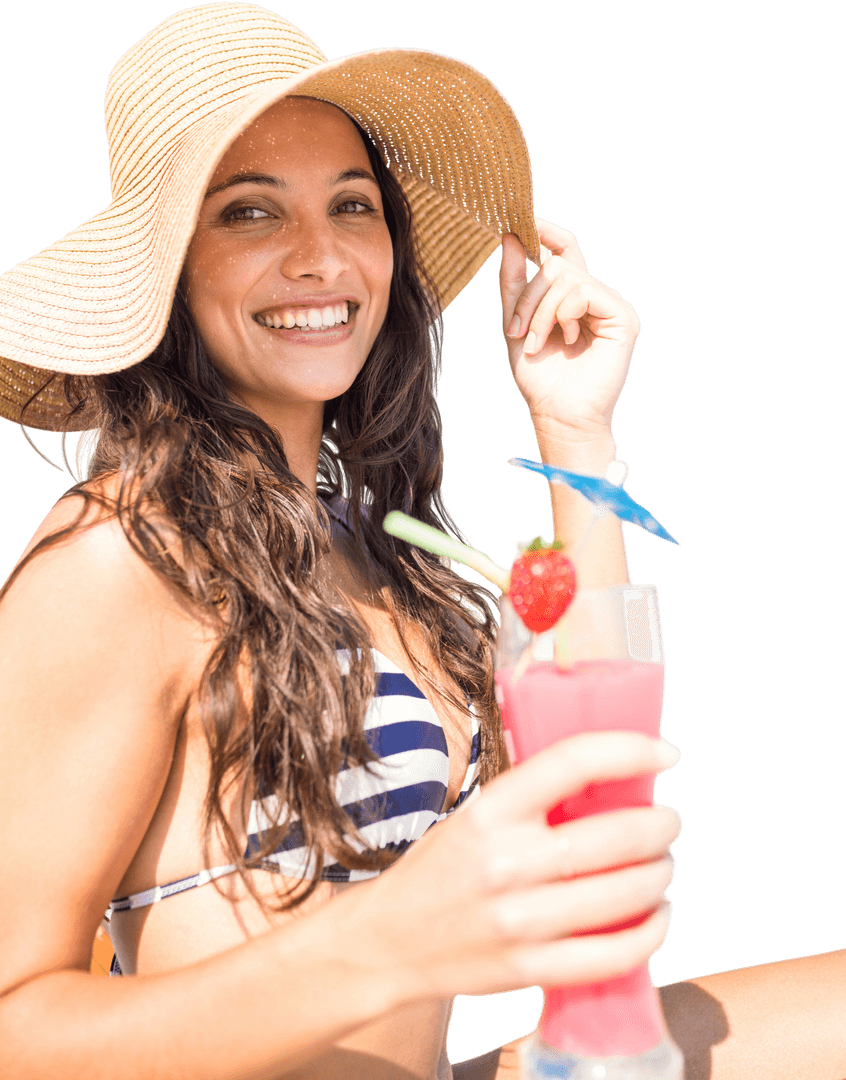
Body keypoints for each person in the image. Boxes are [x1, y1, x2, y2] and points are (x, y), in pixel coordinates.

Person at [0, 6, 838, 1080]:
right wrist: (396, 937)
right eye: (251, 213)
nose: (321, 255)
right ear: (169, 276)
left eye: (353, 206)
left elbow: (587, 754)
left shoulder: (374, 550)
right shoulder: (118, 560)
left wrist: (573, 429)